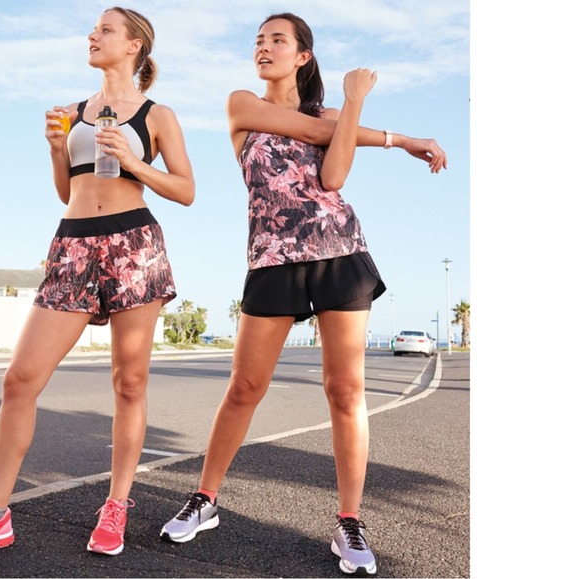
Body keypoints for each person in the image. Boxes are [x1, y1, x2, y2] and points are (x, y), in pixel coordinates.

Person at [159, 12, 446, 577]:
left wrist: (352, 107)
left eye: (277, 40)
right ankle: (205, 499)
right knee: (245, 386)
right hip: (272, 258)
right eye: (259, 41)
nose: (263, 48)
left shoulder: (336, 115)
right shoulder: (243, 103)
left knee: (344, 389)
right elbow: (315, 134)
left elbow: (334, 176)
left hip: (339, 251)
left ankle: (349, 521)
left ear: (302, 55)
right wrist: (402, 138)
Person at [0, 6, 194, 559]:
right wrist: (55, 147)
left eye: (106, 30)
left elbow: (186, 190)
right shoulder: (71, 112)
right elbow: (66, 190)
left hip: (134, 246)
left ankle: (115, 506)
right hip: (72, 245)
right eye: (93, 29)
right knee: (20, 378)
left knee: (129, 384)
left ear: (135, 45)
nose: (92, 36)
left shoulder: (156, 114)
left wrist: (133, 162)